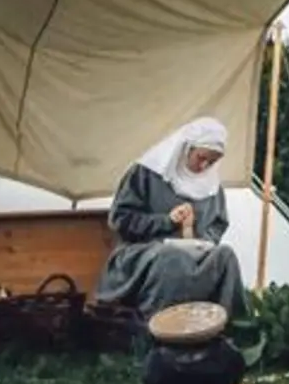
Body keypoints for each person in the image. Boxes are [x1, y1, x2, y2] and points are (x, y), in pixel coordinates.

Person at [96, 117, 247, 321]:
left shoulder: (212, 188)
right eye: (201, 157)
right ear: (186, 148)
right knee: (173, 257)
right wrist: (165, 221)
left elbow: (217, 226)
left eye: (212, 161)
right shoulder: (145, 173)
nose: (204, 166)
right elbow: (120, 220)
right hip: (140, 253)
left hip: (191, 255)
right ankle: (162, 330)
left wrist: (199, 240)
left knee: (225, 256)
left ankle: (227, 327)